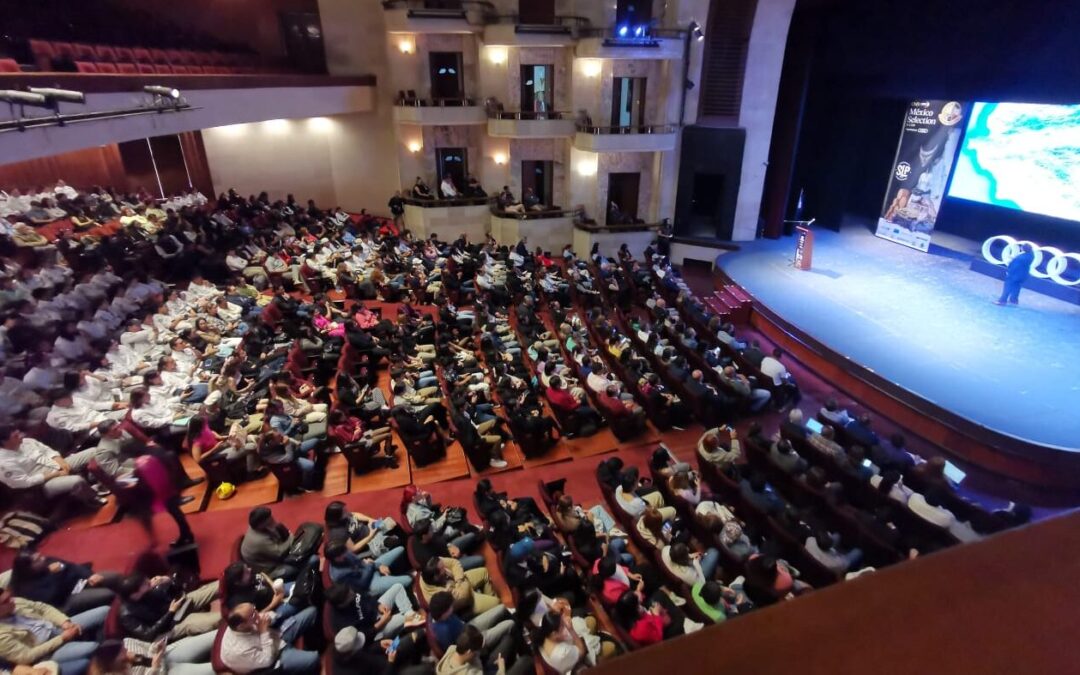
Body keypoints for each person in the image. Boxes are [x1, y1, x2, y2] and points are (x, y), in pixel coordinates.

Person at [0, 588, 106, 675]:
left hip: (57, 628)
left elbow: (43, 608)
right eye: (5, 601)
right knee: (93, 647)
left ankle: (103, 646)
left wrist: (64, 622)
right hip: (47, 652)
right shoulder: (1, 635)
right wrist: (62, 638)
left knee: (104, 611)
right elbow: (26, 657)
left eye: (10, 596)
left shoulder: (15, 602)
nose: (12, 600)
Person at [219, 602, 319, 675]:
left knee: (312, 611)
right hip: (273, 659)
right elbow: (267, 660)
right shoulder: (239, 651)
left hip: (276, 636)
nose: (257, 613)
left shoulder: (243, 622)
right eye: (253, 614)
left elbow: (263, 617)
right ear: (241, 626)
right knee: (314, 658)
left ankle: (313, 642)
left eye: (254, 608)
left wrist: (270, 618)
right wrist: (263, 632)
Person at [116, 574, 220, 642]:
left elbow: (175, 595)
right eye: (146, 584)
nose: (150, 583)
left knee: (217, 587)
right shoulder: (127, 614)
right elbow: (148, 635)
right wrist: (170, 613)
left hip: (176, 609)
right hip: (167, 629)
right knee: (217, 619)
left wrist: (169, 581)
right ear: (135, 594)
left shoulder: (146, 592)